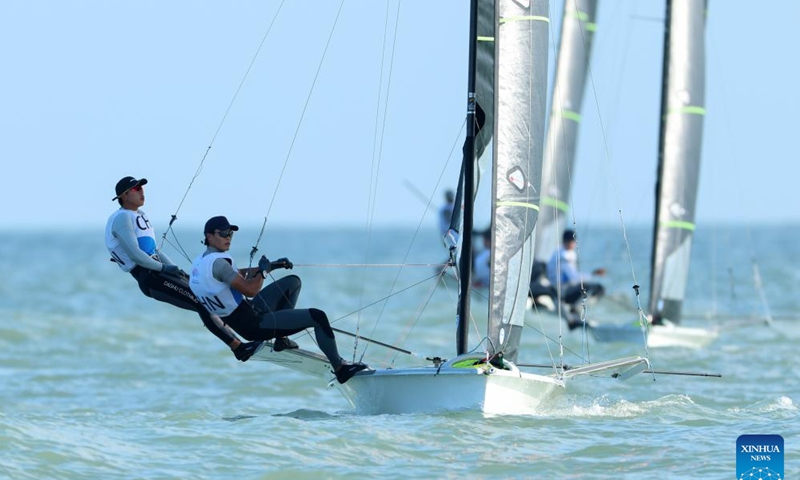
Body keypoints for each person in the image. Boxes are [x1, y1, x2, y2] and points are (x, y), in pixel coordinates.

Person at [105, 176, 277, 363]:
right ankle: (238, 347)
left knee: (207, 297)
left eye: (141, 187)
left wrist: (175, 269)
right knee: (202, 303)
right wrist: (164, 268)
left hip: (159, 272)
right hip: (150, 277)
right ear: (124, 196)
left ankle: (252, 330)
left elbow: (154, 251)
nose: (141, 191)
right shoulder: (122, 218)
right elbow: (136, 255)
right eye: (136, 188)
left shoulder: (139, 215)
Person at [188, 215, 368, 384]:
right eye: (223, 233)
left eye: (230, 233)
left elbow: (235, 275)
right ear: (209, 236)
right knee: (318, 317)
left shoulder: (201, 262)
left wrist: (272, 266)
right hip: (255, 325)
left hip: (247, 313)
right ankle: (340, 368)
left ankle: (282, 339)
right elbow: (250, 290)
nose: (228, 237)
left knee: (292, 282)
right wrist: (263, 272)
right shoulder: (219, 263)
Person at [546, 229, 606, 329]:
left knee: (588, 286)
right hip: (561, 291)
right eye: (573, 241)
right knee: (598, 288)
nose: (574, 244)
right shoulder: (563, 256)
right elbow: (574, 278)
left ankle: (575, 310)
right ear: (567, 242)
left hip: (560, 288)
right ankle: (575, 309)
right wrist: (593, 274)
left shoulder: (561, 251)